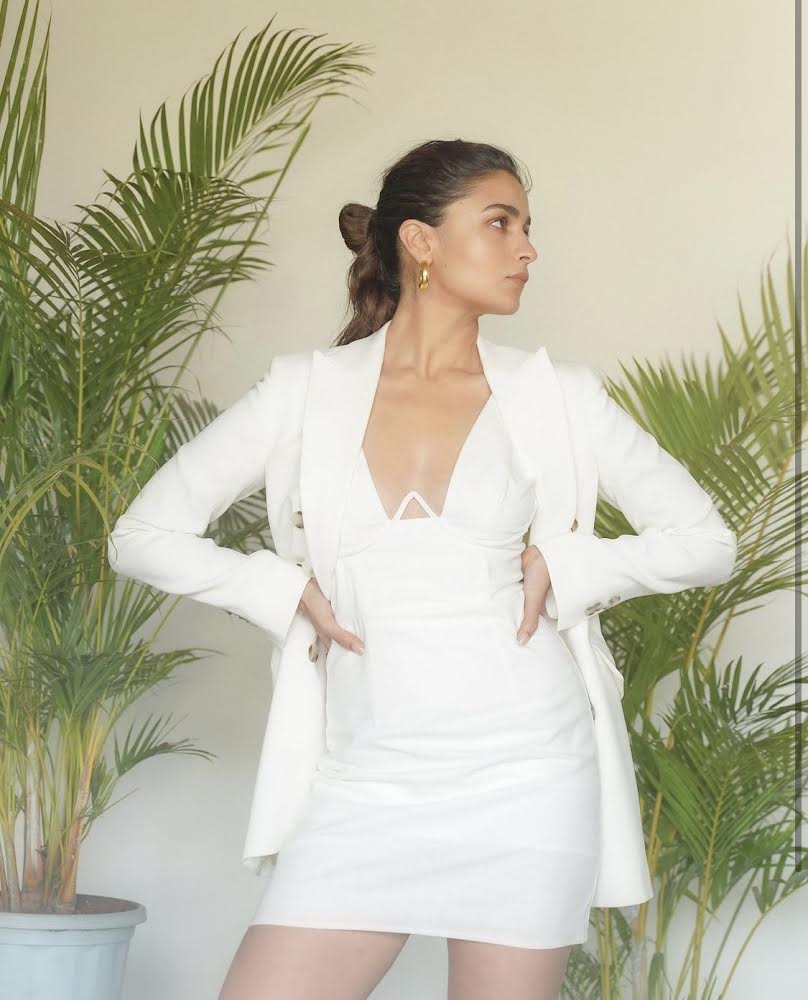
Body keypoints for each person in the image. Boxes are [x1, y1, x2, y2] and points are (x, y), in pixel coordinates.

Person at [108, 139, 735, 1000]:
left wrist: (571, 562)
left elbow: (706, 539)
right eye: (500, 222)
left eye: (527, 226)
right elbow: (142, 534)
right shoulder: (304, 390)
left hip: (528, 775)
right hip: (363, 783)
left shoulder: (556, 396)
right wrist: (284, 589)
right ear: (421, 241)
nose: (528, 249)